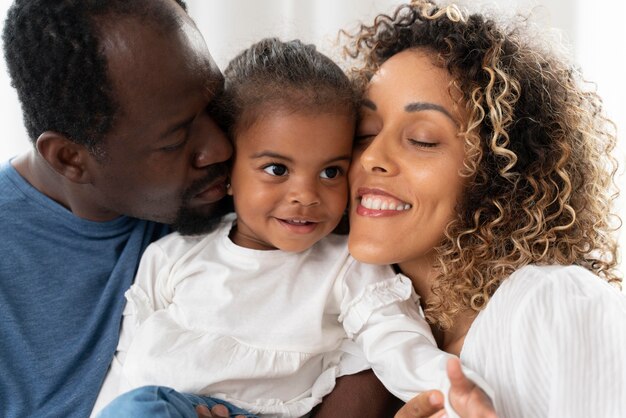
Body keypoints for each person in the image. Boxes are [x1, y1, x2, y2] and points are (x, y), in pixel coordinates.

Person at [0, 1, 392, 417]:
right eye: (176, 138)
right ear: (70, 158)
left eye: (214, 104)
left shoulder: (266, 189)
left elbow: (377, 323)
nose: (221, 148)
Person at [95, 37, 495, 418]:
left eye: (331, 171)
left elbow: (396, 340)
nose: (305, 194)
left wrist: (451, 388)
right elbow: (122, 368)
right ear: (228, 172)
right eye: (276, 169)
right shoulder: (172, 256)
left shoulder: (346, 266)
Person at [342, 1, 626, 417]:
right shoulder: (357, 335)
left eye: (422, 139)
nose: (371, 158)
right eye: (364, 133)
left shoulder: (555, 303)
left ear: (500, 175)